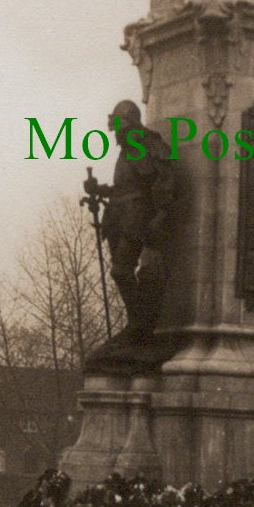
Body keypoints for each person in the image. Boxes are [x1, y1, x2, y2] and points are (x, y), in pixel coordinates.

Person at [89, 101, 177, 342]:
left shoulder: (146, 144)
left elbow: (163, 180)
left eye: (117, 120)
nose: (113, 126)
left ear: (128, 120)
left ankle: (140, 324)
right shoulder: (129, 147)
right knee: (120, 270)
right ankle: (138, 323)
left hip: (135, 216)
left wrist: (161, 214)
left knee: (121, 270)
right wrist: (100, 190)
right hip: (120, 215)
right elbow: (126, 186)